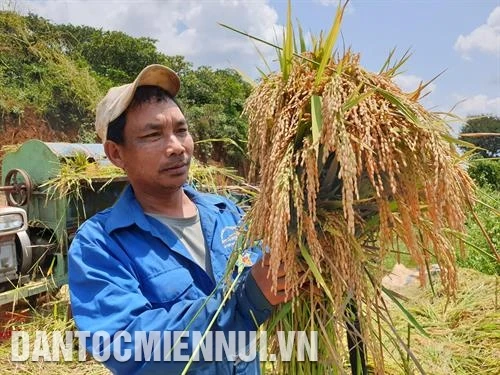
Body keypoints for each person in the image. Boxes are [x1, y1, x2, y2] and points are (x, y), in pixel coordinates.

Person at [68, 64, 289, 375]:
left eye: (181, 131)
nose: (177, 147)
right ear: (116, 153)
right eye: (153, 134)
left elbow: (273, 277)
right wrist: (247, 299)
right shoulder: (100, 244)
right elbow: (131, 347)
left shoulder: (228, 213)